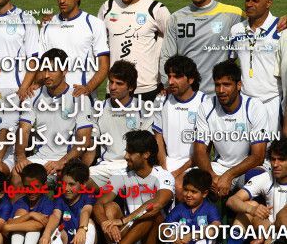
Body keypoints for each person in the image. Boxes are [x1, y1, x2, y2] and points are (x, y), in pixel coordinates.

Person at [91, 130, 174, 244]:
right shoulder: (121, 175)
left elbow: (157, 204)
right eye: (126, 151)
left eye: (130, 152)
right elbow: (99, 203)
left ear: (146, 155)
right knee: (110, 207)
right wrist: (105, 221)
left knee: (151, 212)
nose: (125, 156)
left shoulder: (164, 176)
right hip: (128, 243)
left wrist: (123, 220)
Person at [160, 0, 246, 94]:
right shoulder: (176, 18)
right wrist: (168, 84)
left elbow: (262, 22)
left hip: (218, 94)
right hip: (188, 94)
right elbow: (167, 56)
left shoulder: (232, 14)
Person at [193, 60, 268, 198]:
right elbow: (199, 150)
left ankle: (250, 217)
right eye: (217, 85)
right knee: (191, 183)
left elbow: (258, 156)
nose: (221, 90)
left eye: (226, 85)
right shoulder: (206, 107)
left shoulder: (255, 107)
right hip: (219, 167)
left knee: (257, 177)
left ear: (239, 85)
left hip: (248, 167)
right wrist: (212, 177)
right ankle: (209, 219)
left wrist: (229, 175)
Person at [15, 48, 93, 179]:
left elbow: (83, 140)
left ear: (64, 71)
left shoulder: (79, 98)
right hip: (39, 159)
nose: (46, 75)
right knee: (16, 176)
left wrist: (61, 162)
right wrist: (22, 157)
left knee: (70, 180)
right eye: (44, 69)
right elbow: (24, 130)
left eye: (51, 70)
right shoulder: (33, 95)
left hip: (68, 162)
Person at [98, 0, 170, 101]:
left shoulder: (155, 9)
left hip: (147, 89)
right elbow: (96, 45)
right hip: (115, 89)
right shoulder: (108, 8)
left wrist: (166, 80)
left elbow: (175, 43)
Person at [215, 138, 287, 244]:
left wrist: (267, 235)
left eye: (281, 160)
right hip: (268, 240)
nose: (275, 164)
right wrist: (252, 209)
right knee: (247, 206)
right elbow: (232, 201)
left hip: (278, 237)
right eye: (273, 159)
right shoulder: (267, 177)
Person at [40, 0, 109, 100]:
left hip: (83, 101)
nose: (61, 0)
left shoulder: (94, 24)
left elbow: (103, 66)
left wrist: (88, 88)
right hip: (53, 102)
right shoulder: (47, 26)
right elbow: (40, 66)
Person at [87, 60, 152, 189]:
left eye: (119, 83)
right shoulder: (98, 109)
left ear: (131, 87)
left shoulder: (143, 108)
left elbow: (147, 146)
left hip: (132, 167)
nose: (112, 87)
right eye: (111, 82)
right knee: (80, 181)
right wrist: (83, 169)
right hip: (106, 167)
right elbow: (91, 145)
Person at [230, 0, 282, 133]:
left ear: (268, 2)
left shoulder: (281, 29)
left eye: (255, 0)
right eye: (247, 0)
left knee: (270, 152)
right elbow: (230, 61)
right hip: (246, 102)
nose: (249, 4)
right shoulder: (236, 30)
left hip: (272, 101)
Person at [153, 55, 206, 200]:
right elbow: (158, 137)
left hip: (193, 164)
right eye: (169, 76)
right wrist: (164, 169)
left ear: (190, 79)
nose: (170, 81)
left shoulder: (204, 102)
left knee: (179, 186)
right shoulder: (161, 100)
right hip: (166, 163)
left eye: (177, 77)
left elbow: (204, 148)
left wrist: (178, 172)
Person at [39, 160, 96, 244]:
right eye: (64, 184)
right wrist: (45, 234)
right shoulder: (60, 198)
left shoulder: (87, 195)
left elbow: (86, 211)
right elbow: (55, 215)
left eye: (71, 184)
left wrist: (82, 229)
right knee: (53, 226)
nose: (66, 188)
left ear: (83, 184)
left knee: (89, 223)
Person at [161, 169, 223, 244]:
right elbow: (163, 228)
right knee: (171, 229)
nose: (188, 194)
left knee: (210, 233)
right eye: (186, 190)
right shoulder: (179, 208)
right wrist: (173, 238)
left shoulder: (210, 208)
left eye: (194, 192)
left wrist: (191, 235)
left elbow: (215, 228)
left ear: (204, 194)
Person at [0, 163, 54, 244]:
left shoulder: (47, 202)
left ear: (44, 185)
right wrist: (30, 215)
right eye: (27, 187)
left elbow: (39, 225)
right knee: (23, 215)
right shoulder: (22, 201)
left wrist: (8, 227)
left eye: (35, 187)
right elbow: (11, 222)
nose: (30, 191)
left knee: (32, 226)